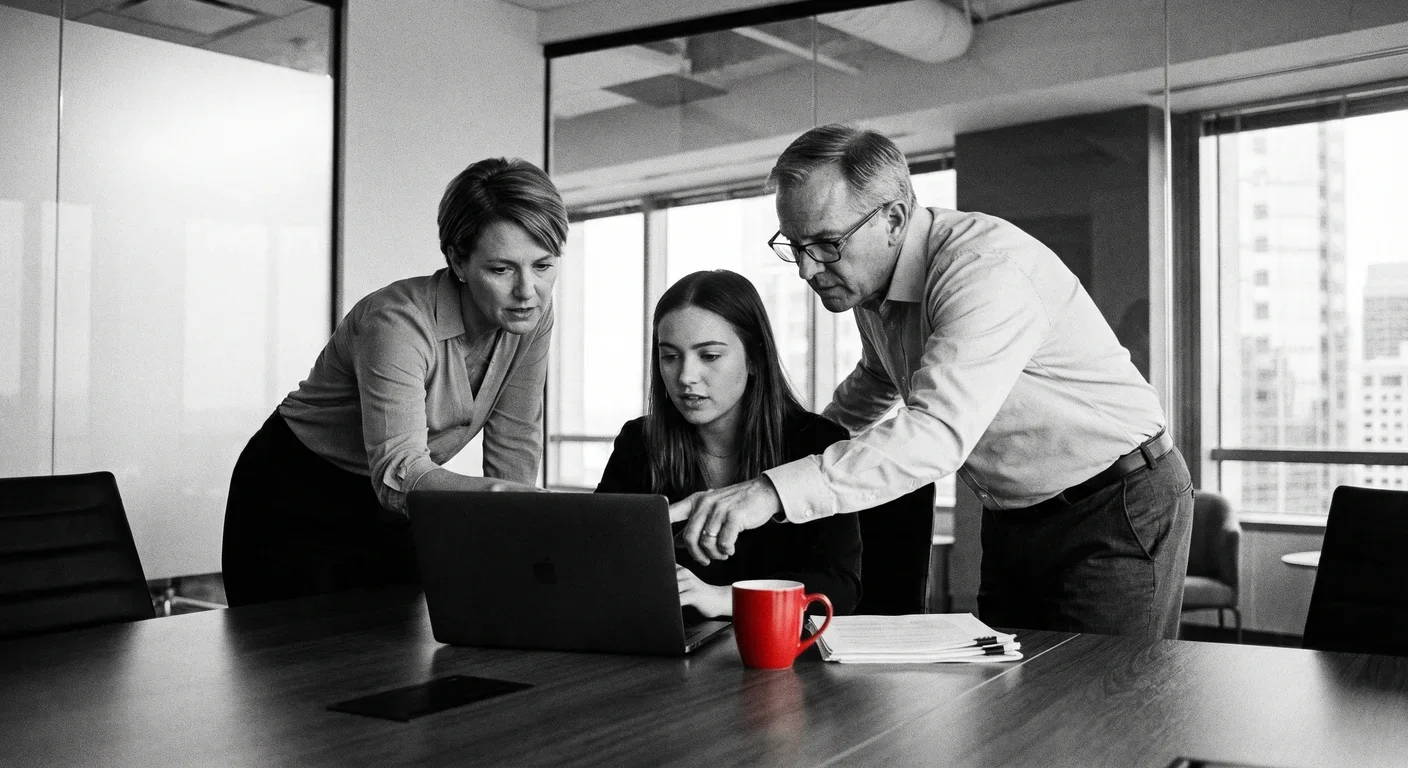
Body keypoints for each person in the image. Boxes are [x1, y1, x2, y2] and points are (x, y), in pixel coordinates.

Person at [671, 125, 1194, 640]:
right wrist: (778, 460)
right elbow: (876, 382)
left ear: (894, 218)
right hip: (1015, 517)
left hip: (1115, 502)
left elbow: (936, 432)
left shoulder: (983, 270)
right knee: (1010, 696)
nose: (807, 270)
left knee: (1104, 703)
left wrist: (771, 491)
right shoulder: (872, 285)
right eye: (796, 244)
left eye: (827, 244)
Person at [222, 157, 567, 607]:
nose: (527, 290)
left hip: (395, 507)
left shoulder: (530, 318)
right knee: (291, 665)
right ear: (458, 261)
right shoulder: (397, 322)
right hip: (294, 496)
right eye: (501, 269)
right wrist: (508, 499)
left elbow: (514, 445)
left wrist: (517, 537)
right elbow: (396, 474)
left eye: (542, 266)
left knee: (397, 656)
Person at [595, 269, 863, 619]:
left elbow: (841, 588)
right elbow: (595, 557)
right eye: (670, 356)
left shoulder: (816, 443)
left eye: (709, 356)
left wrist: (723, 598)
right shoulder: (639, 442)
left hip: (784, 660)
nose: (686, 377)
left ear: (754, 359)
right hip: (664, 655)